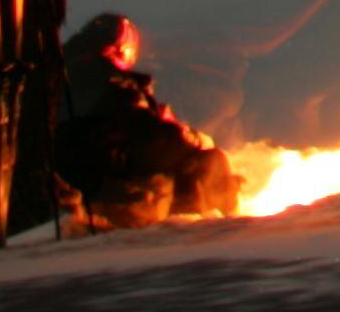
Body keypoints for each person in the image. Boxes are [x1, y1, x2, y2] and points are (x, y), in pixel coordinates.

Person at [56, 12, 240, 228]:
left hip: (79, 178)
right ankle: (212, 232)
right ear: (119, 46)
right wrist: (194, 138)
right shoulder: (110, 83)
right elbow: (150, 136)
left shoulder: (61, 78)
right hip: (103, 184)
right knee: (209, 162)